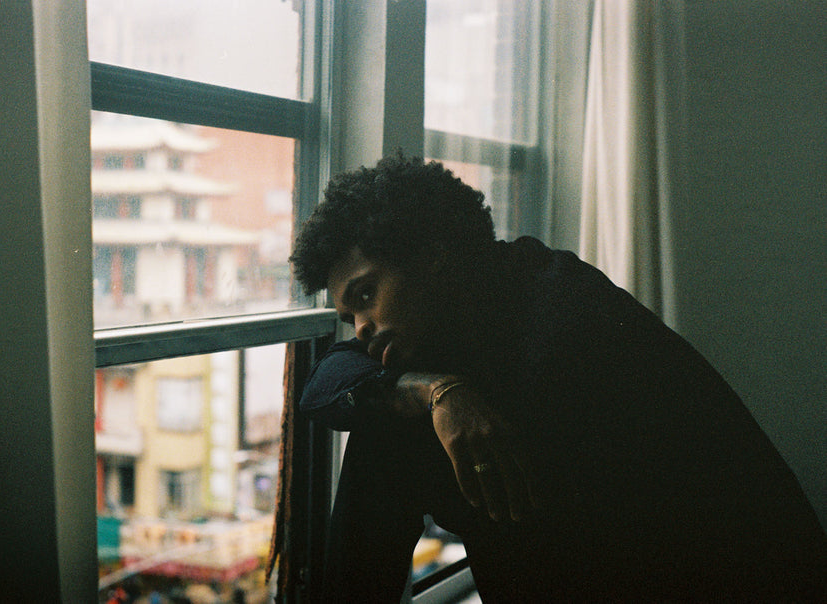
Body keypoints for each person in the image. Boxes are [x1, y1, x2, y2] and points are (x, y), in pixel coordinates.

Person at [289, 154, 827, 602]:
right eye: (348, 317)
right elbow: (326, 382)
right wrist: (437, 391)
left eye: (365, 296)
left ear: (431, 256)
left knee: (384, 430)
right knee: (386, 410)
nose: (360, 330)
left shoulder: (565, 319)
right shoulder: (454, 320)